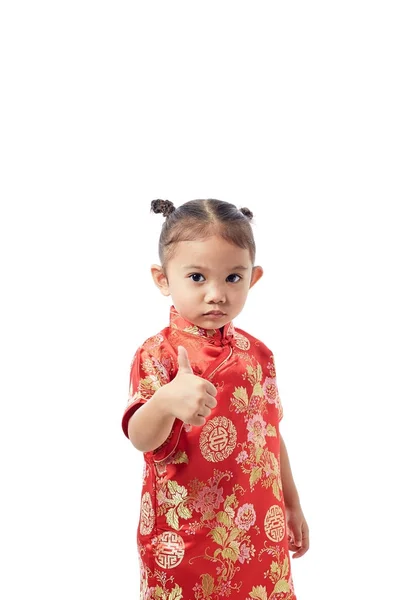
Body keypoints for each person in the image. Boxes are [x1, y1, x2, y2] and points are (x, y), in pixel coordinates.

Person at [121, 198, 309, 599]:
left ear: (253, 278)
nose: (216, 295)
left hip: (259, 525)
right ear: (162, 278)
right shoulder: (159, 354)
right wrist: (165, 402)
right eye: (196, 277)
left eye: (233, 278)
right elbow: (140, 437)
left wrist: (291, 503)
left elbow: (270, 434)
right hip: (186, 534)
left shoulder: (258, 354)